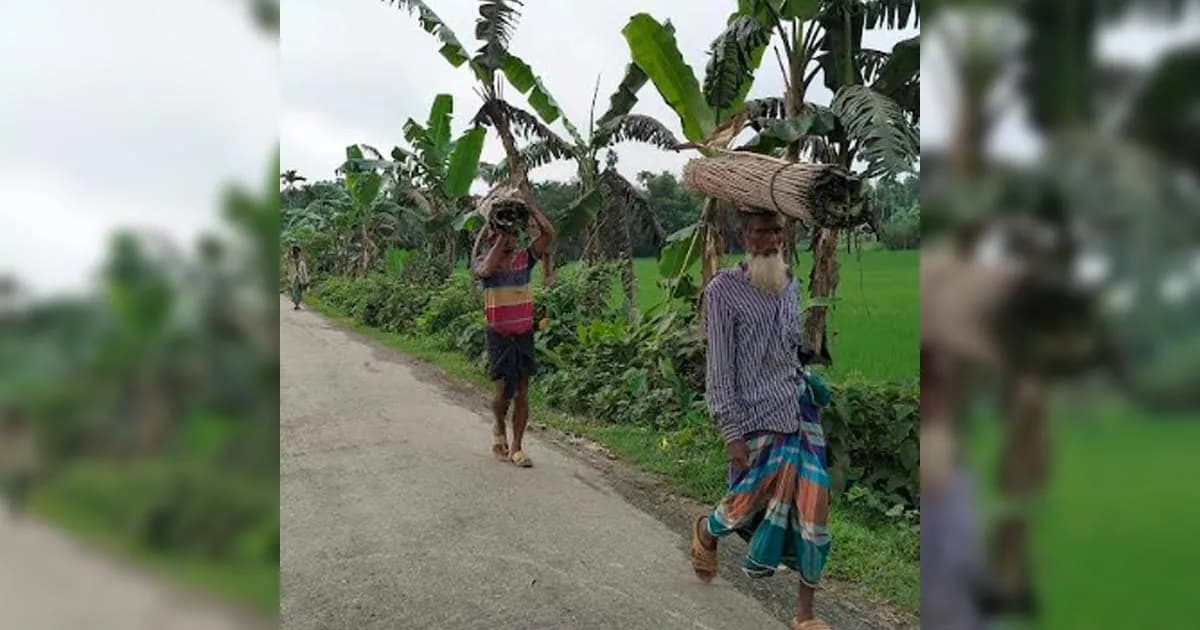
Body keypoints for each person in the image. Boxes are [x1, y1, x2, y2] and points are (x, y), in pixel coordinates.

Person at [689, 210, 833, 630]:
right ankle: (708, 532)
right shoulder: (722, 292)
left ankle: (804, 615)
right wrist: (730, 432)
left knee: (814, 508)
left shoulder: (790, 284)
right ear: (742, 235)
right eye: (761, 231)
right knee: (743, 505)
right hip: (753, 419)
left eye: (776, 230)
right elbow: (719, 369)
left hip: (798, 413)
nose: (771, 238)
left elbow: (789, 345)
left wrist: (804, 360)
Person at [472, 193, 556, 469]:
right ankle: (498, 426)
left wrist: (532, 209)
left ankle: (517, 447)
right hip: (498, 335)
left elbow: (548, 234)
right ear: (490, 237)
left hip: (523, 335)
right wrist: (500, 238)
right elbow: (484, 270)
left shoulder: (525, 259)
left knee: (522, 390)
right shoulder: (486, 261)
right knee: (502, 393)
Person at [1, 407, 38, 521]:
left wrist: (33, 463)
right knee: (14, 486)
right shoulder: (8, 433)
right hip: (13, 464)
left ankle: (18, 506)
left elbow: (30, 449)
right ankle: (14, 506)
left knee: (22, 488)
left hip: (23, 465)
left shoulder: (26, 433)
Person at [286, 244, 310, 311]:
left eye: (297, 250)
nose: (295, 252)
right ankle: (296, 304)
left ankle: (297, 303)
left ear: (299, 252)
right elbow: (288, 267)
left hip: (300, 278)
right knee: (294, 290)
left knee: (299, 291)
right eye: (294, 250)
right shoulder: (291, 260)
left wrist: (306, 280)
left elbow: (304, 271)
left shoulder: (301, 261)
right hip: (294, 278)